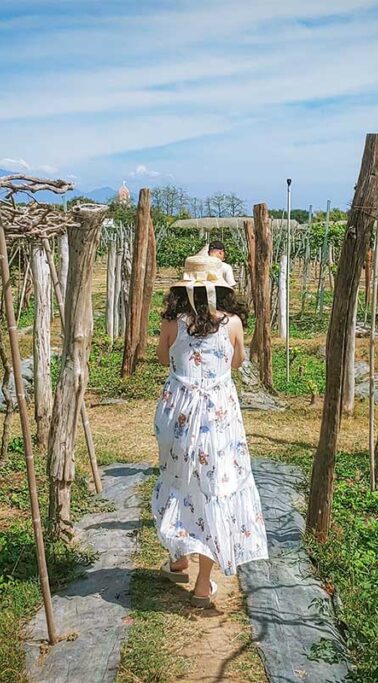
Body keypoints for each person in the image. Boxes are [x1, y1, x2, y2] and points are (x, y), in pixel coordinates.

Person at [152, 247, 268, 607]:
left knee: (178, 480)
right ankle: (203, 585)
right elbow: (237, 362)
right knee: (216, 487)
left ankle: (178, 557)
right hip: (218, 414)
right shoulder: (232, 323)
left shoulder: (172, 323)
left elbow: (162, 357)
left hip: (179, 411)